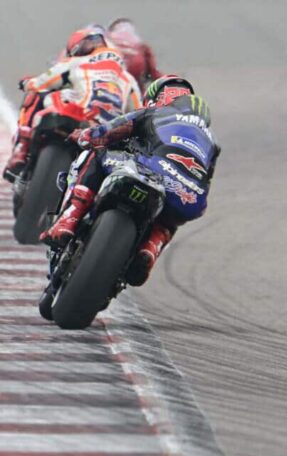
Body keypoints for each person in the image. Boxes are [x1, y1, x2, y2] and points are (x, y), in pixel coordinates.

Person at [40, 75, 220, 286]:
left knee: (95, 153)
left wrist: (84, 136)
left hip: (150, 170)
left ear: (157, 98)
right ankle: (150, 248)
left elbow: (108, 131)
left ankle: (69, 219)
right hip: (190, 197)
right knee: (170, 217)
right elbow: (206, 179)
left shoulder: (155, 113)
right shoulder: (213, 142)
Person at [3, 26, 141, 181]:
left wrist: (26, 83)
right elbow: (139, 112)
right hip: (109, 132)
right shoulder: (129, 79)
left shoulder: (77, 62)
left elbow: (40, 83)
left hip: (80, 114)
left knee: (34, 94)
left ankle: (21, 150)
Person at [107, 18, 162, 92]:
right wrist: (154, 74)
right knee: (138, 85)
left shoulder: (109, 39)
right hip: (136, 62)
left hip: (118, 66)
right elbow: (150, 62)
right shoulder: (137, 41)